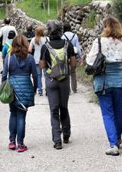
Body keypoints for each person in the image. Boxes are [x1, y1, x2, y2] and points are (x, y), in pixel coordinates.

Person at [86, 16, 122, 156]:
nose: (103, 29)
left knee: (107, 113)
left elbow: (90, 61)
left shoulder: (99, 42)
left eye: (105, 26)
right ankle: (118, 138)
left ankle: (113, 144)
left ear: (107, 28)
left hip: (103, 81)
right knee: (118, 110)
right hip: (120, 80)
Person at [39, 20, 76, 149]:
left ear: (48, 31)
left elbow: (42, 65)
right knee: (64, 107)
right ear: (60, 31)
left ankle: (57, 140)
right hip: (64, 81)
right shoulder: (68, 44)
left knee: (54, 110)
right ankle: (66, 134)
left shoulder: (46, 46)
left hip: (51, 82)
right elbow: (72, 63)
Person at [2, 34, 37, 153]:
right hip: (26, 87)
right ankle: (21, 144)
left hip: (12, 88)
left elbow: (4, 75)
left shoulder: (9, 57)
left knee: (13, 114)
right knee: (22, 115)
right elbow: (35, 75)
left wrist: (4, 88)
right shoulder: (30, 58)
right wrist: (34, 89)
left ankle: (12, 141)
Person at [62, 22, 83, 93]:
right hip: (73, 55)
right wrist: (80, 57)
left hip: (65, 56)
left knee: (66, 73)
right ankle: (74, 88)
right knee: (73, 72)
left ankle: (68, 89)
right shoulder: (75, 36)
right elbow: (78, 47)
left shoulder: (62, 36)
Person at [28, 26, 47, 96]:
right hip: (44, 59)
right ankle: (47, 89)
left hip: (36, 59)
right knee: (46, 75)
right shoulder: (46, 39)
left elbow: (29, 50)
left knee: (38, 75)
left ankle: (40, 90)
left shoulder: (33, 39)